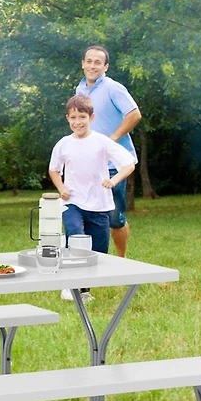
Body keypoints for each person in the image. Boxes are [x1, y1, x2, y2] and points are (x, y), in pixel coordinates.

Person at [48, 94, 135, 302]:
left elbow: (129, 164)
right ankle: (68, 286)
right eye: (73, 118)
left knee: (98, 250)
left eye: (82, 117)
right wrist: (61, 188)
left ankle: (83, 290)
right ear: (67, 119)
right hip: (72, 203)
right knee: (76, 238)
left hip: (99, 204)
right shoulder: (63, 144)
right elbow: (53, 170)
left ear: (91, 117)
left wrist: (114, 181)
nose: (77, 122)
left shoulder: (102, 142)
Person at [75, 45, 141, 257]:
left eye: (97, 62)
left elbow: (134, 114)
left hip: (114, 165)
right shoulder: (80, 89)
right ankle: (94, 258)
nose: (92, 66)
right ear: (83, 64)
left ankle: (121, 260)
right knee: (89, 213)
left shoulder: (114, 88)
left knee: (114, 217)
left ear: (106, 66)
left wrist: (111, 140)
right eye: (89, 61)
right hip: (89, 163)